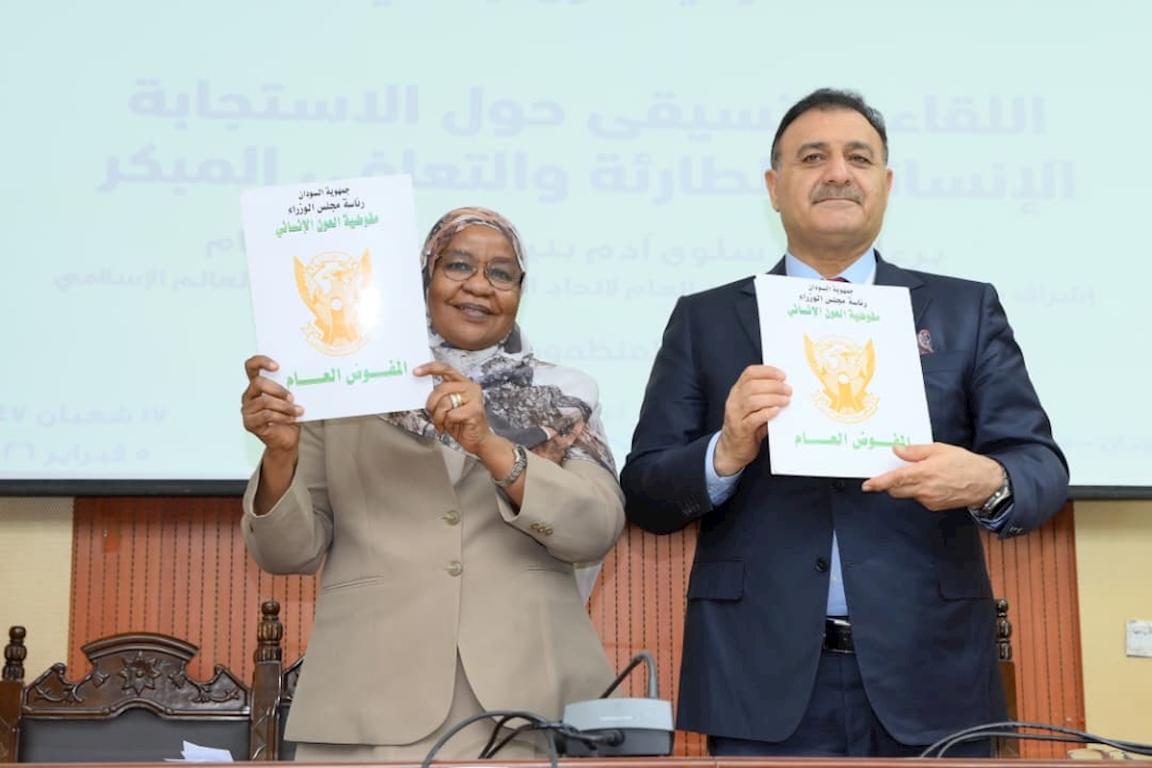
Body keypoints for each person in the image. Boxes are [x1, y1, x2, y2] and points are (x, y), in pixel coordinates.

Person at [619, 88, 1068, 758]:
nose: (837, 172)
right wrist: (724, 452)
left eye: (858, 158)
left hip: (934, 672)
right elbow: (645, 492)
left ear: (885, 184)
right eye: (812, 157)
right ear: (774, 188)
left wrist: (985, 481)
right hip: (759, 679)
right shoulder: (705, 319)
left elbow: (1040, 467)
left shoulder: (965, 310)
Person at [239, 206, 625, 761]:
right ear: (423, 278)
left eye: (501, 273)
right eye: (458, 265)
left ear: (520, 291)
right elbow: (286, 553)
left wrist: (490, 445)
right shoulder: (344, 390)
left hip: (526, 713)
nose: (479, 285)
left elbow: (595, 530)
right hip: (369, 709)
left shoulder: (563, 396)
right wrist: (281, 455)